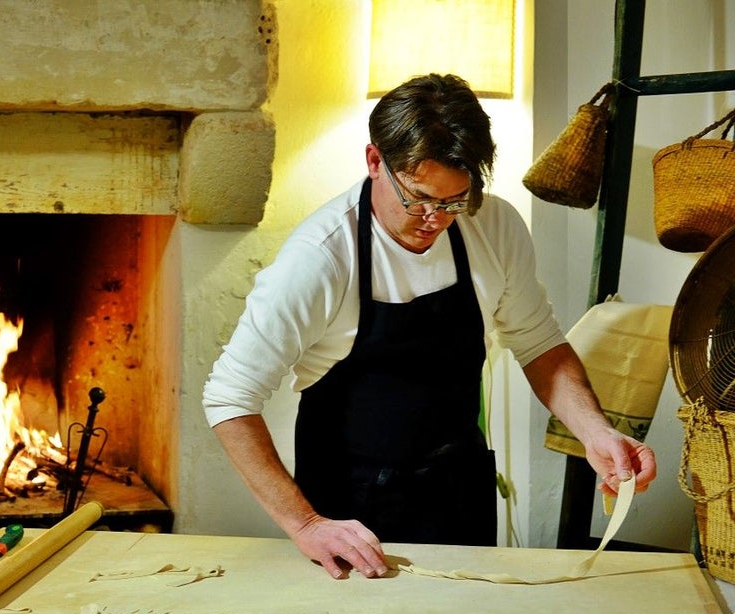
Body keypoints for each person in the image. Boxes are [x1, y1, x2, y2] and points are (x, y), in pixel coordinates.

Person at [202, 73, 657, 580]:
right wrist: (306, 523)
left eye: (453, 200)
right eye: (419, 197)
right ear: (375, 162)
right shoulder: (320, 258)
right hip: (351, 504)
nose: (435, 218)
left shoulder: (494, 226)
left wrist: (596, 433)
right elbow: (230, 398)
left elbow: (539, 343)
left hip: (459, 484)